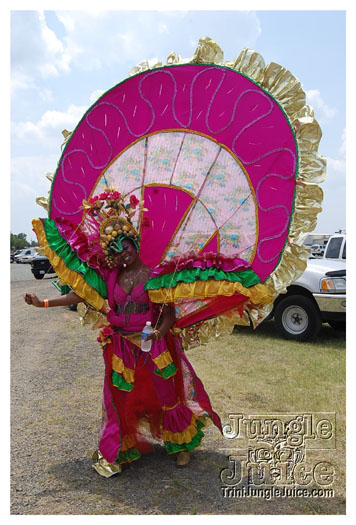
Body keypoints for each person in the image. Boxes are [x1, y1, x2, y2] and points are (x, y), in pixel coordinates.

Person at [25, 192, 222, 477]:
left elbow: (168, 314)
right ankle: (123, 449)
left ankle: (179, 447)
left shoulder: (154, 275)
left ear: (134, 244)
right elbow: (78, 296)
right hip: (120, 347)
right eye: (116, 250)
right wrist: (42, 303)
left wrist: (158, 332)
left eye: (125, 246)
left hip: (154, 345)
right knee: (121, 399)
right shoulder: (109, 276)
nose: (122, 253)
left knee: (167, 394)